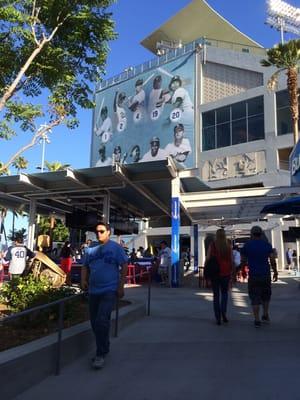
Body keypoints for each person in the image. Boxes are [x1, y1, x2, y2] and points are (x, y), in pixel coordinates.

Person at [81, 222, 128, 370]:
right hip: (93, 291)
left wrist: (120, 286)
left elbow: (124, 265)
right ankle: (104, 344)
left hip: (109, 290)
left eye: (102, 231)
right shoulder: (90, 249)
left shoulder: (116, 248)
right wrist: (83, 280)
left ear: (109, 232)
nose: (99, 234)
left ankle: (100, 354)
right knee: (95, 322)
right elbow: (85, 266)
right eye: (97, 232)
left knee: (101, 320)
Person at [240, 225, 278, 328]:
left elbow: (243, 260)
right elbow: (272, 259)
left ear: (251, 234)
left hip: (254, 275)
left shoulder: (248, 245)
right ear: (261, 234)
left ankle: (257, 320)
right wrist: (275, 271)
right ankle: (265, 314)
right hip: (265, 274)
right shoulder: (267, 245)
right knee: (266, 295)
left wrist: (243, 271)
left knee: (255, 297)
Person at [205, 229, 232, 325]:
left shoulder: (212, 245)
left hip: (215, 273)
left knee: (216, 295)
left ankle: (218, 317)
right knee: (224, 294)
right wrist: (232, 274)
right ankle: (223, 312)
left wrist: (206, 269)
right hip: (226, 273)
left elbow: (208, 258)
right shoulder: (228, 245)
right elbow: (231, 260)